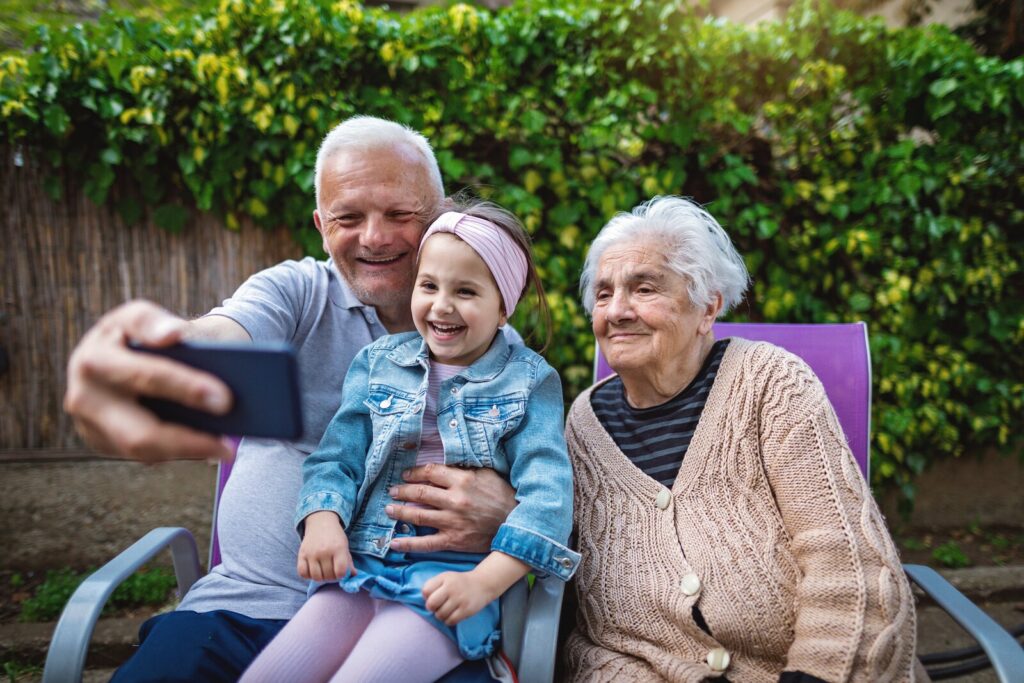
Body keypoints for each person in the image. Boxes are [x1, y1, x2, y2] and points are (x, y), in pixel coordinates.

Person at [63, 116, 519, 682]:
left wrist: (509, 512)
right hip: (240, 613)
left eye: (401, 214)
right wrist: (150, 354)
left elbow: (542, 482)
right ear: (321, 227)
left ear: (442, 214)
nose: (374, 237)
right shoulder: (297, 293)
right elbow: (219, 335)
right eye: (348, 218)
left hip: (411, 622)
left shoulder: (493, 346)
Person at [563, 196, 922, 681]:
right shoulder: (582, 427)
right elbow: (593, 635)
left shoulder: (770, 384)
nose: (618, 310)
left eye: (644, 288)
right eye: (603, 294)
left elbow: (848, 565)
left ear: (707, 307)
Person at [240, 200, 579, 682]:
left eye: (465, 291)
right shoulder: (378, 362)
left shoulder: (529, 382)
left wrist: (485, 582)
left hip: (450, 583)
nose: (441, 305)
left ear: (504, 306)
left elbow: (548, 500)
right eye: (429, 286)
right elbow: (337, 457)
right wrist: (321, 520)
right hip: (361, 568)